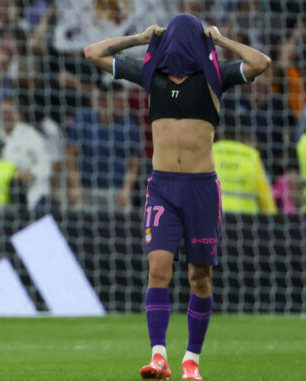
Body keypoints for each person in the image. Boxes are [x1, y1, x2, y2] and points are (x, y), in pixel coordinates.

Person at [84, 14, 271, 380]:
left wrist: (221, 40)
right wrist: (138, 37)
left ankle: (192, 360)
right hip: (163, 188)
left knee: (199, 277)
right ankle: (158, 357)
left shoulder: (216, 75)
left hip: (202, 188)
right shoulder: (150, 72)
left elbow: (261, 63)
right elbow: (92, 52)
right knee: (158, 269)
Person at [66, 82, 142, 212]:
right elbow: (70, 154)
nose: (124, 105)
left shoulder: (130, 124)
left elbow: (135, 161)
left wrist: (126, 189)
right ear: (105, 100)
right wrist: (75, 186)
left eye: (125, 100)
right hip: (85, 189)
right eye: (119, 100)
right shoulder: (84, 118)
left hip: (116, 191)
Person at [0, 96, 52, 216]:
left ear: (19, 114)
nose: (6, 116)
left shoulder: (30, 135)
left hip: (34, 195)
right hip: (5, 198)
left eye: (10, 112)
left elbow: (45, 164)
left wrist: (30, 173)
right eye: (3, 112)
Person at [213, 126, 277, 215]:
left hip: (213, 217)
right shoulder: (251, 155)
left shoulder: (210, 151)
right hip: (246, 220)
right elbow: (265, 198)